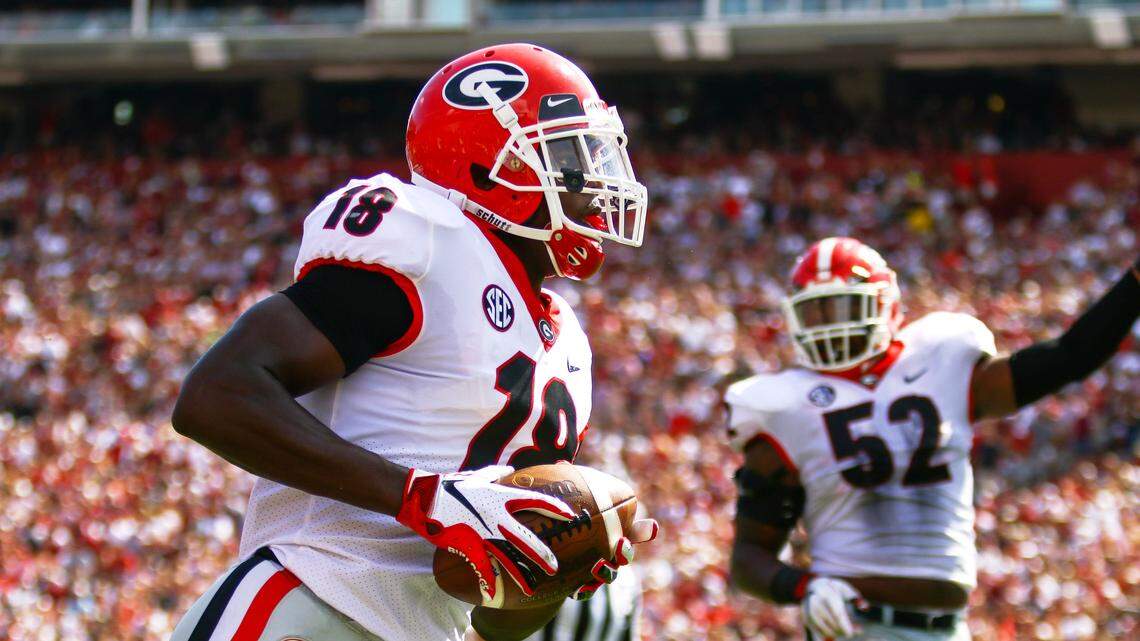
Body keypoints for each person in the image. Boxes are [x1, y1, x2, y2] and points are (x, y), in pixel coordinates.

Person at [169, 43, 657, 641]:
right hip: (307, 600)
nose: (600, 182)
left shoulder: (568, 349)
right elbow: (217, 395)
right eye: (571, 157)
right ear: (494, 166)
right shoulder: (428, 242)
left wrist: (565, 558)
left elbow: (496, 618)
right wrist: (420, 498)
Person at [725, 237, 1139, 640]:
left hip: (948, 627)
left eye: (841, 307)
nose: (829, 325)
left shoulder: (941, 359)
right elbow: (748, 557)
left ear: (884, 303)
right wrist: (805, 587)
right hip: (857, 627)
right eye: (815, 313)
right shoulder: (786, 405)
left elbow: (1070, 357)